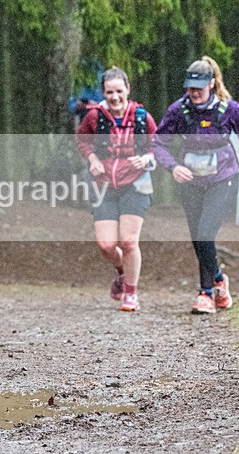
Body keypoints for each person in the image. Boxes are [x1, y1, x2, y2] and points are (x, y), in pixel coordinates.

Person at [153, 56, 239, 314]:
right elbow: (159, 143)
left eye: (199, 88)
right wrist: (173, 166)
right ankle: (208, 292)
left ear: (211, 83)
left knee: (205, 234)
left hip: (223, 179)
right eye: (190, 88)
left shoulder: (229, 108)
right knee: (198, 238)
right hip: (191, 181)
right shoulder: (179, 110)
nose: (194, 93)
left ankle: (213, 284)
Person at [76, 66, 158, 312]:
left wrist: (144, 159)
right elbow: (82, 140)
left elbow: (160, 146)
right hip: (104, 186)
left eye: (119, 91)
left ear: (127, 90)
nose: (114, 97)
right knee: (106, 244)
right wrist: (93, 161)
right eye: (109, 92)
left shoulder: (142, 117)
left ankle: (131, 294)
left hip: (136, 184)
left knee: (129, 242)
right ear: (103, 92)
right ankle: (122, 272)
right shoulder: (94, 116)